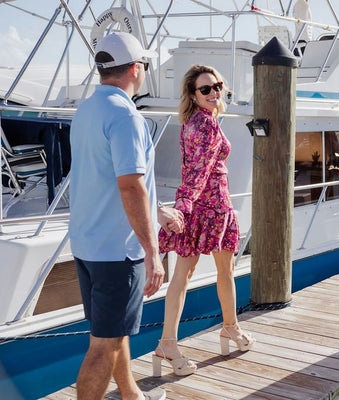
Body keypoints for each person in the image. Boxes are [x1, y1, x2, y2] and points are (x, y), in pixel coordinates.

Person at [69, 32, 182, 400]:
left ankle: (132, 395)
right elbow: (130, 187)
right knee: (104, 345)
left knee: (111, 334)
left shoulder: (87, 110)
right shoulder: (125, 116)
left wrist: (156, 209)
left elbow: (112, 177)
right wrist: (152, 251)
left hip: (87, 245)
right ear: (135, 69)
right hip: (118, 252)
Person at [155, 65, 255, 373]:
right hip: (208, 207)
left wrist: (185, 204)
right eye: (206, 89)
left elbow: (193, 169)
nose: (214, 93)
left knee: (204, 272)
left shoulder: (193, 122)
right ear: (193, 94)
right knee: (211, 272)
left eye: (217, 86)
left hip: (213, 205)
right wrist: (183, 207)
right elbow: (197, 173)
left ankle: (224, 328)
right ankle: (217, 331)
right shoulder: (207, 126)